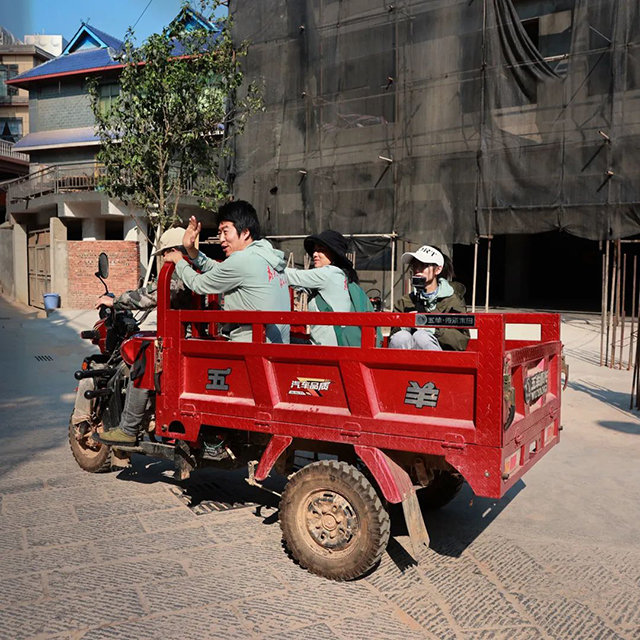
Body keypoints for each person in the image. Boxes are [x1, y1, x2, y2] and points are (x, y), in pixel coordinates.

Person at [74, 228, 191, 446]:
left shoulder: (181, 273)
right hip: (188, 337)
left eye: (164, 254)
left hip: (184, 341)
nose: (164, 259)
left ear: (174, 251)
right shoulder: (198, 268)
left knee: (142, 359)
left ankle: (128, 428)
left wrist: (116, 301)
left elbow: (152, 295)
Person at [164, 200, 290, 344]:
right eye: (219, 233)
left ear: (245, 233)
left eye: (225, 232)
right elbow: (218, 269)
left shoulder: (242, 260)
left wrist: (178, 260)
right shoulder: (266, 255)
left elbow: (198, 284)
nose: (221, 239)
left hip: (252, 350)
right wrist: (191, 249)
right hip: (276, 346)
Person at [389, 245, 469, 351]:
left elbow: (460, 341)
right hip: (406, 357)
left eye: (423, 265)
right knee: (401, 337)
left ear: (438, 269)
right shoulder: (405, 301)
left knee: (422, 336)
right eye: (414, 265)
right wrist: (405, 324)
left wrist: (433, 329)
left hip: (441, 359)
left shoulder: (453, 301)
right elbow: (392, 333)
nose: (417, 270)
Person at [285, 230, 357, 346]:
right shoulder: (341, 275)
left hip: (326, 347)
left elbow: (292, 276)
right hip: (335, 344)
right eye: (314, 250)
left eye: (321, 250)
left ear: (334, 254)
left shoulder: (329, 273)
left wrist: (269, 263)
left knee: (277, 341)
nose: (314, 254)